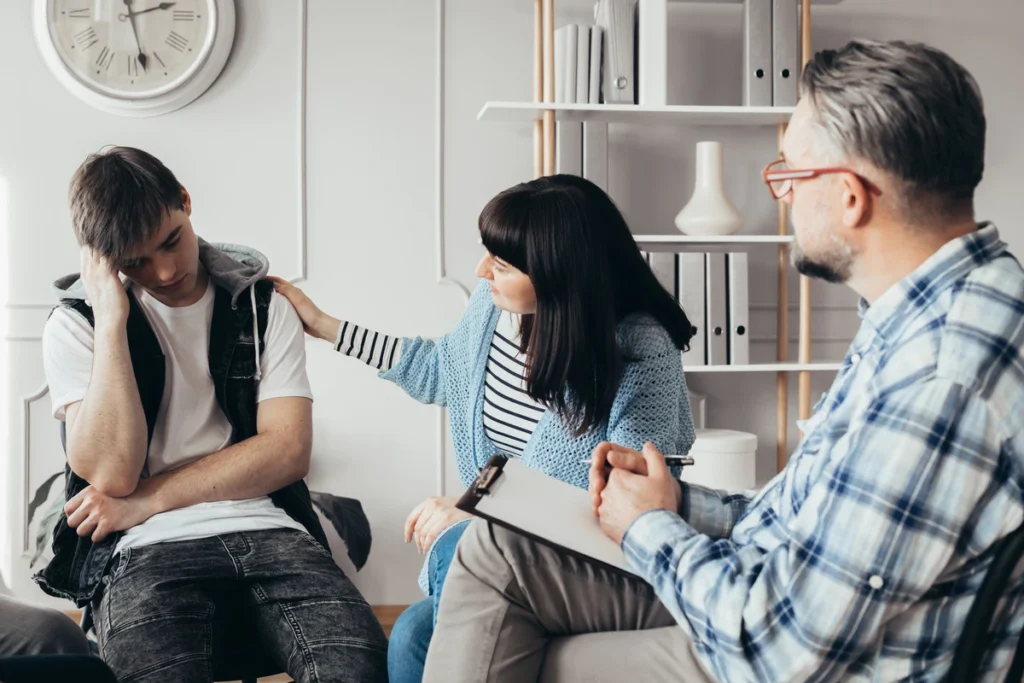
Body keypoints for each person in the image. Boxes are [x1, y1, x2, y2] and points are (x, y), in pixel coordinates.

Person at [422, 39, 1024, 683]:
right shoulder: (936, 310)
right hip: (790, 602)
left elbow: (777, 650)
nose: (782, 198)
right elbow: (800, 518)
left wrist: (649, 527)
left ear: (850, 197)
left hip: (803, 656)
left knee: (525, 647)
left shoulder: (937, 378)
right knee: (494, 554)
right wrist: (678, 502)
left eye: (789, 175)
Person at [272, 173, 698, 682]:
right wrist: (325, 326)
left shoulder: (640, 350)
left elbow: (623, 505)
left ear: (560, 273)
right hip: (497, 547)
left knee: (430, 612)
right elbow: (439, 371)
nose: (481, 272)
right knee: (416, 629)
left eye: (500, 263)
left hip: (587, 565)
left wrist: (472, 514)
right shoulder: (494, 308)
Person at [37, 147, 387, 682]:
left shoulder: (262, 305)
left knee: (357, 669)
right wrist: (112, 323)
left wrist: (148, 499)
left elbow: (287, 451)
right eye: (135, 261)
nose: (166, 270)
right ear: (101, 259)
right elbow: (112, 474)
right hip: (142, 551)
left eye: (170, 240)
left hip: (269, 530)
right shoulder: (77, 325)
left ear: (185, 200)